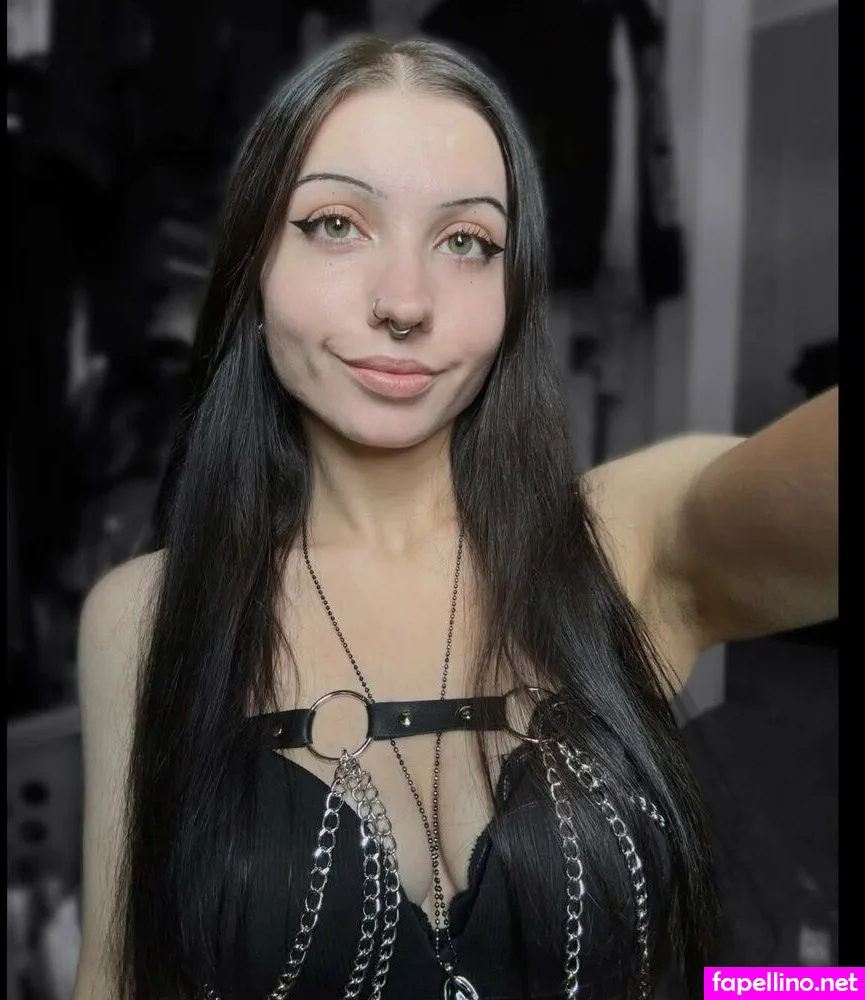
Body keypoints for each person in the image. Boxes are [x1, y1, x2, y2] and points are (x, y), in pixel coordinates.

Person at [72, 35, 839, 1000]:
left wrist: (813, 988)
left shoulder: (621, 544)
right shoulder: (144, 616)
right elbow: (117, 979)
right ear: (253, 269)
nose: (404, 302)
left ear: (513, 294)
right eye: (336, 224)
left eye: (466, 241)